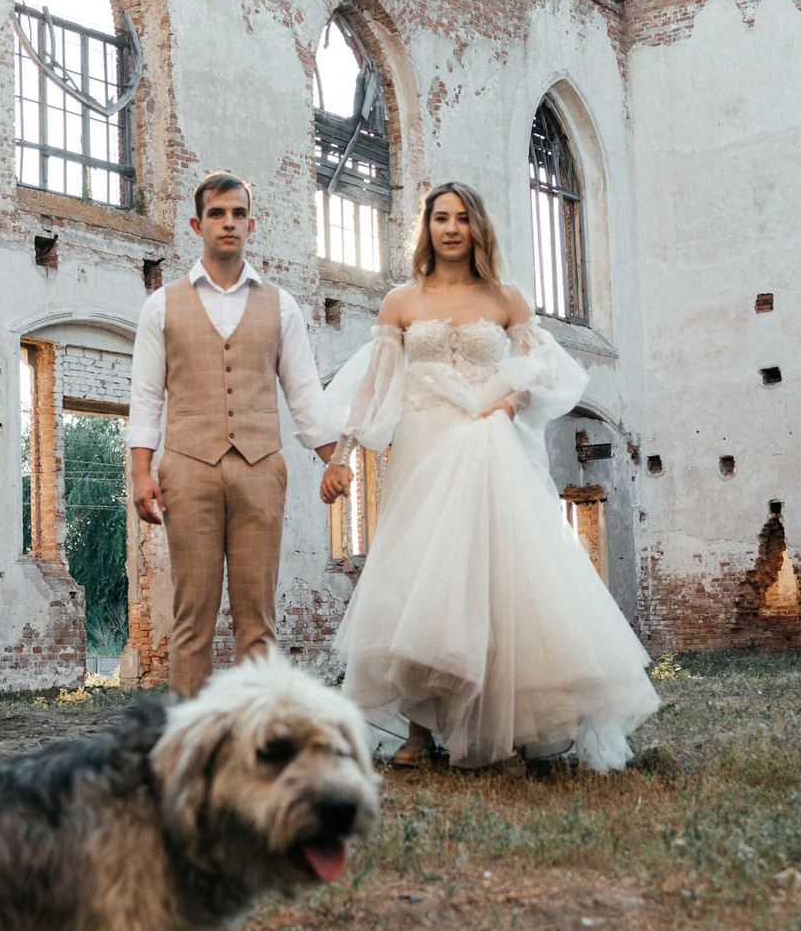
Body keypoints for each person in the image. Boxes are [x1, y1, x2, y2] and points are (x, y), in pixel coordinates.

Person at [320, 182, 660, 770]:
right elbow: (375, 386)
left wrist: (508, 402)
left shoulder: (506, 299)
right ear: (427, 228)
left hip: (488, 442)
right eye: (440, 218)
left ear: (477, 227)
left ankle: (515, 724)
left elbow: (542, 369)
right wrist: (340, 455)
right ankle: (419, 731)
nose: (451, 228)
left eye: (462, 218)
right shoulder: (400, 301)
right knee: (423, 577)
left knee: (500, 575)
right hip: (423, 446)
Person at [127, 172, 350, 698]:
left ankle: (258, 734)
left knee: (258, 619)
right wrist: (140, 471)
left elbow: (304, 394)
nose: (228, 222)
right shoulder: (161, 305)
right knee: (192, 617)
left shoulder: (282, 305)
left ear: (252, 224)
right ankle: (191, 736)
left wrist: (335, 458)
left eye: (237, 214)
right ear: (197, 224)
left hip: (260, 472)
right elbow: (146, 395)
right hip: (187, 470)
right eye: (217, 214)